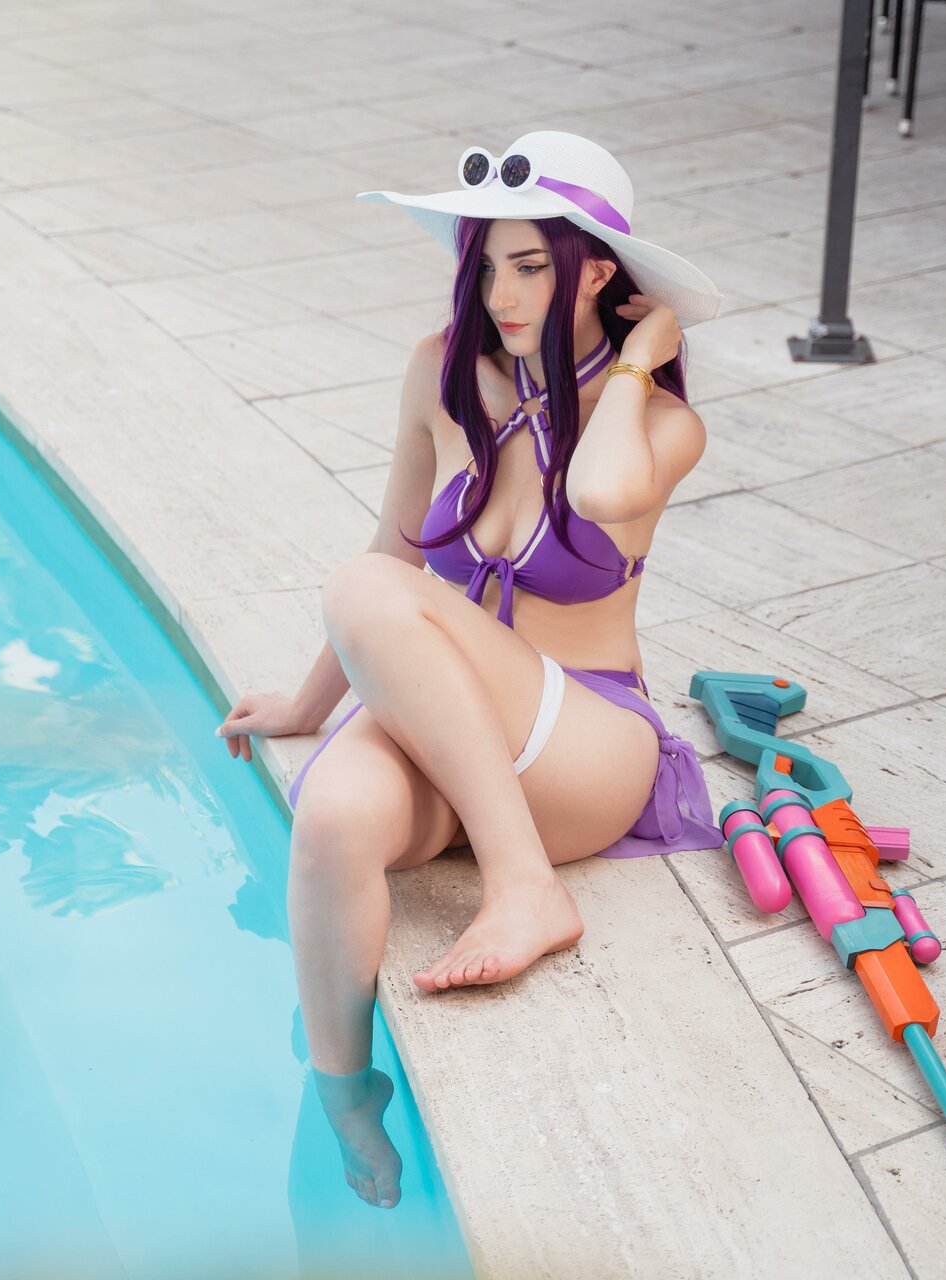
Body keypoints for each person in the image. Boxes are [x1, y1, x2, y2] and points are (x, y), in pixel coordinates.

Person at [215, 132, 727, 1210]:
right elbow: (399, 548)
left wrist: (638, 361)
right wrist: (307, 703)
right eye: (485, 264)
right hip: (457, 729)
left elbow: (599, 497)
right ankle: (346, 1094)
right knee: (332, 821)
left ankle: (525, 884)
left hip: (583, 744)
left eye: (530, 266)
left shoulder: (660, 423)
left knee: (362, 589)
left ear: (598, 271)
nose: (499, 295)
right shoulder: (440, 374)